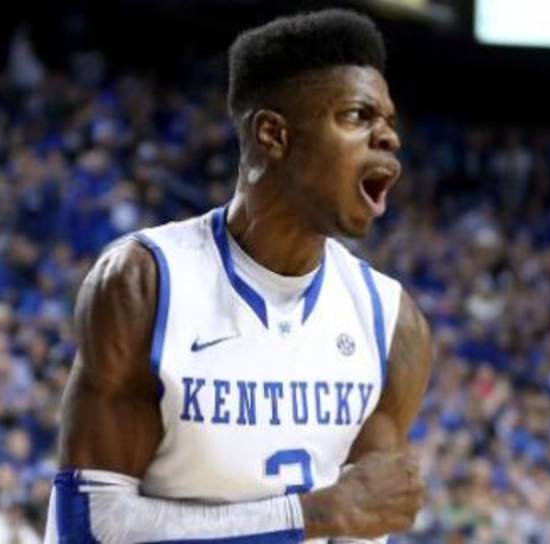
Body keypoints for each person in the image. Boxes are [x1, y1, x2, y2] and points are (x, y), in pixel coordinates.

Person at [44, 9, 432, 543]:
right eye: (357, 116)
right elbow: (88, 528)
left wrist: (332, 517)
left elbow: (363, 522)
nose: (387, 137)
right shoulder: (146, 285)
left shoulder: (392, 323)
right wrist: (312, 515)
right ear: (273, 134)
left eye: (388, 121)